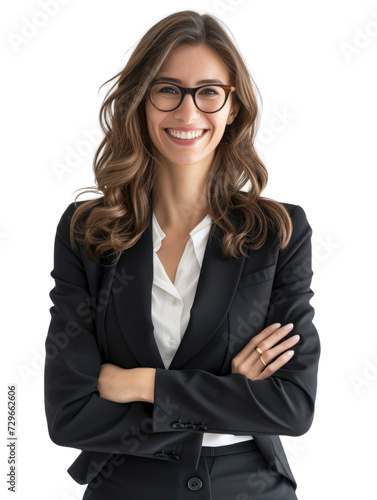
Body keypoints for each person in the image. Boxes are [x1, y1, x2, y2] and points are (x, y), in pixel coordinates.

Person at [44, 10, 320, 500]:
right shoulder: (86, 233)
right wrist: (228, 389)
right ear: (141, 101)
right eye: (167, 89)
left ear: (233, 107)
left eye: (208, 91)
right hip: (126, 487)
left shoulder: (278, 232)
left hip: (248, 487)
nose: (188, 113)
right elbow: (69, 416)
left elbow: (291, 406)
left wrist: (143, 384)